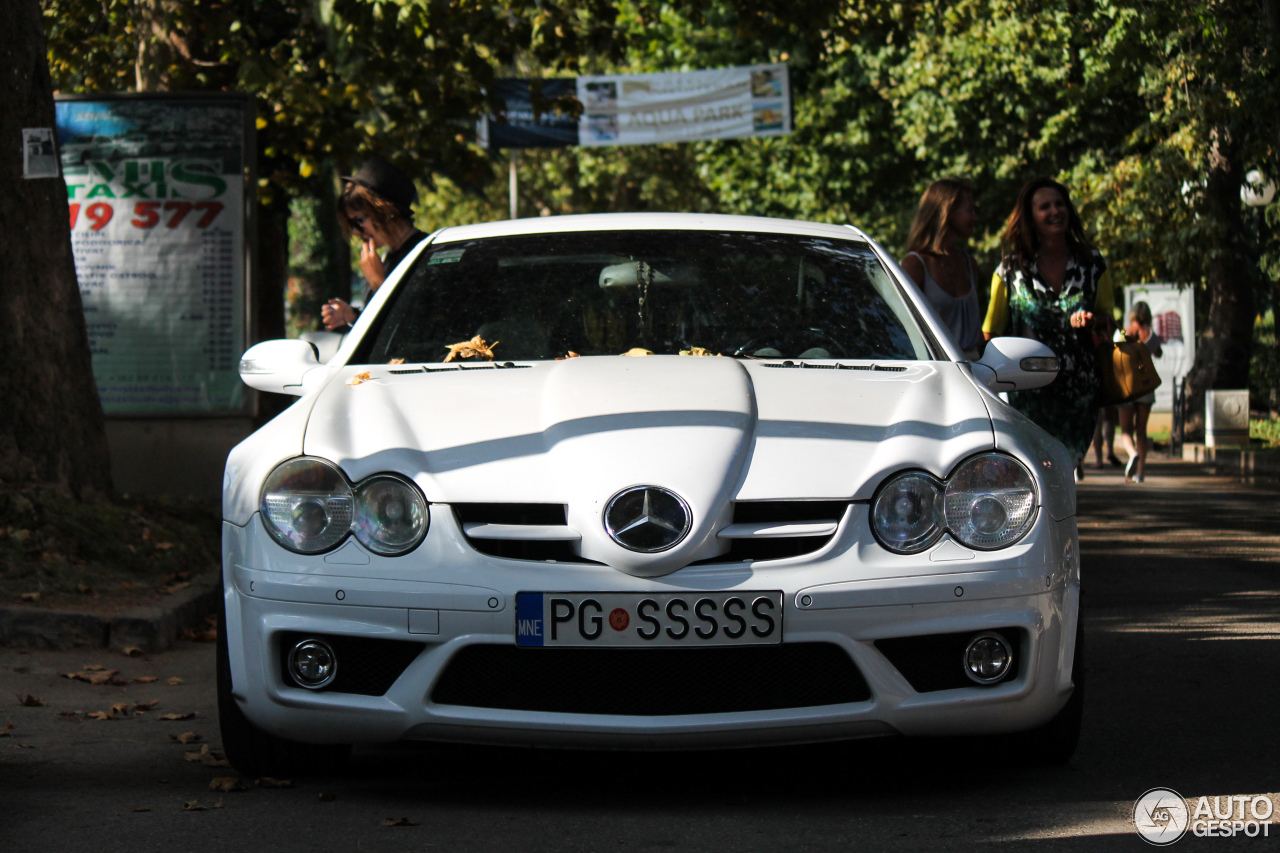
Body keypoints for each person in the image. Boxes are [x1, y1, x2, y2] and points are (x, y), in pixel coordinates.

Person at [982, 177, 1115, 481]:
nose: (1055, 211)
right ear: (1030, 218)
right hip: (1028, 393)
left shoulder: (1093, 263)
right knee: (1034, 473)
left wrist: (1095, 320)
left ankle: (1060, 527)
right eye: (1045, 207)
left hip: (1079, 392)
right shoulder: (1010, 268)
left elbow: (1109, 318)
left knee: (1066, 470)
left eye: (1060, 204)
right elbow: (991, 332)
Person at [321, 156, 428, 331]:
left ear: (386, 212)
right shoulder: (385, 258)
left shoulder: (425, 255)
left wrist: (378, 283)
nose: (356, 231)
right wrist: (353, 315)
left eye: (358, 221)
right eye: (350, 224)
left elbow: (411, 325)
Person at [900, 177, 984, 359]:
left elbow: (976, 331)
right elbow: (904, 330)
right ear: (948, 211)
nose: (975, 218)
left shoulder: (969, 263)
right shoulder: (916, 265)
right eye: (970, 210)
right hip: (938, 369)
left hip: (976, 370)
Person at [1118, 301, 1163, 483]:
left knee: (1126, 430)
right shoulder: (1151, 336)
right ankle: (1141, 472)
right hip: (1146, 386)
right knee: (1141, 430)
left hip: (1127, 387)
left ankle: (1132, 452)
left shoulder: (1123, 333)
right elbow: (1158, 353)